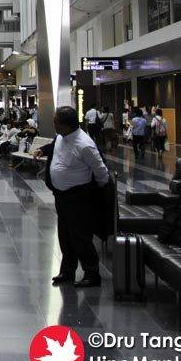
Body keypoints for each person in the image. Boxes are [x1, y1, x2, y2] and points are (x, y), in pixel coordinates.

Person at [47, 106, 110, 288]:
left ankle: (92, 273)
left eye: (55, 121)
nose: (54, 124)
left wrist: (94, 191)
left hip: (78, 197)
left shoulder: (85, 144)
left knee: (80, 236)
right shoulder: (61, 137)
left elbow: (101, 172)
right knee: (65, 235)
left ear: (65, 125)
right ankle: (67, 271)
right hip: (62, 196)